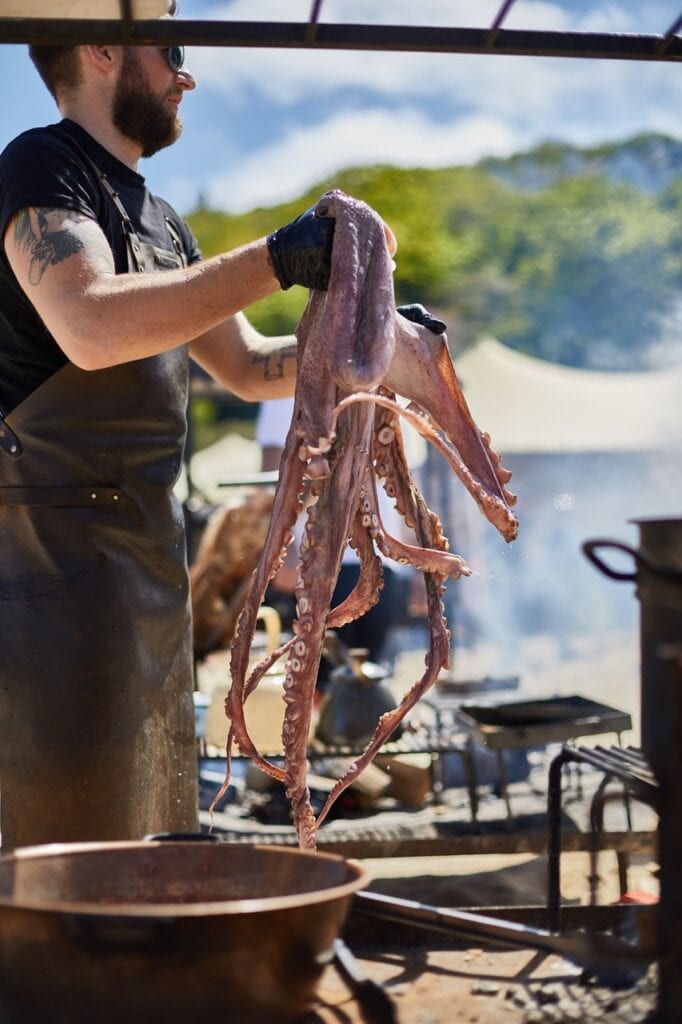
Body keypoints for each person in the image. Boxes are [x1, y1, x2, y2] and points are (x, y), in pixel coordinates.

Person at [0, 25, 364, 851]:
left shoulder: (163, 222)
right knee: (61, 848)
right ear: (101, 49)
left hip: (146, 569)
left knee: (147, 835)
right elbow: (89, 325)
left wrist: (368, 345)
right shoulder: (40, 166)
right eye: (172, 53)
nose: (187, 78)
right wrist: (277, 258)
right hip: (47, 576)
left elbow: (249, 367)